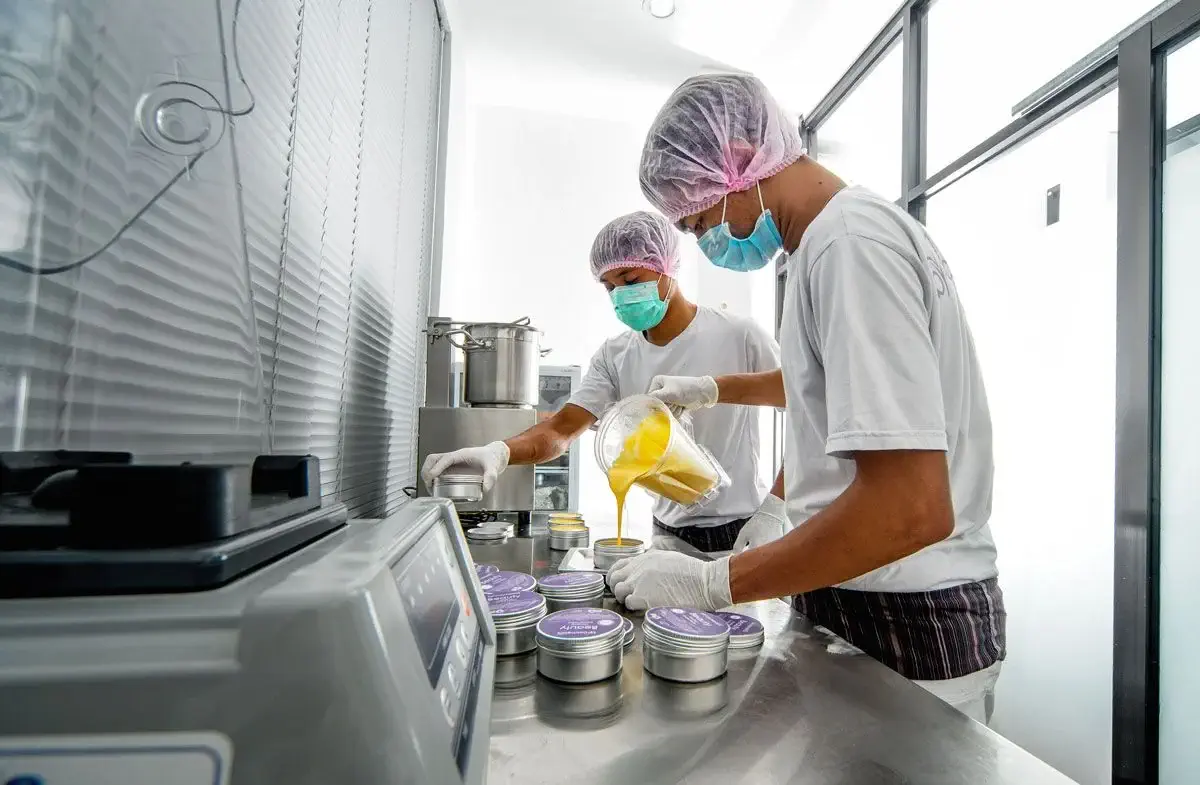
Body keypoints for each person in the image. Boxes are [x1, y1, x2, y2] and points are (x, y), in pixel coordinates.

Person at [609, 74, 1004, 722]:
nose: (708, 241)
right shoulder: (832, 241)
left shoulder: (850, 247)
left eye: (701, 221)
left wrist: (711, 582)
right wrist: (715, 392)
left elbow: (913, 507)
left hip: (905, 616)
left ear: (739, 159)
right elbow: (828, 393)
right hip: (871, 598)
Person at [421, 210, 786, 553]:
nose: (620, 295)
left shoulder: (740, 335)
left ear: (667, 268)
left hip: (743, 529)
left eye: (630, 280)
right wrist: (498, 453)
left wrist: (777, 507)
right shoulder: (615, 355)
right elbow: (561, 430)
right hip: (668, 533)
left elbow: (803, 405)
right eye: (609, 287)